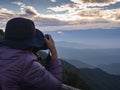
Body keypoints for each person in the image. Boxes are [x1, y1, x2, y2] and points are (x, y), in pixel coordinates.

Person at [0, 17, 62, 90]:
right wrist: (53, 50)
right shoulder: (28, 66)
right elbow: (56, 86)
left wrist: (31, 54)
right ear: (31, 43)